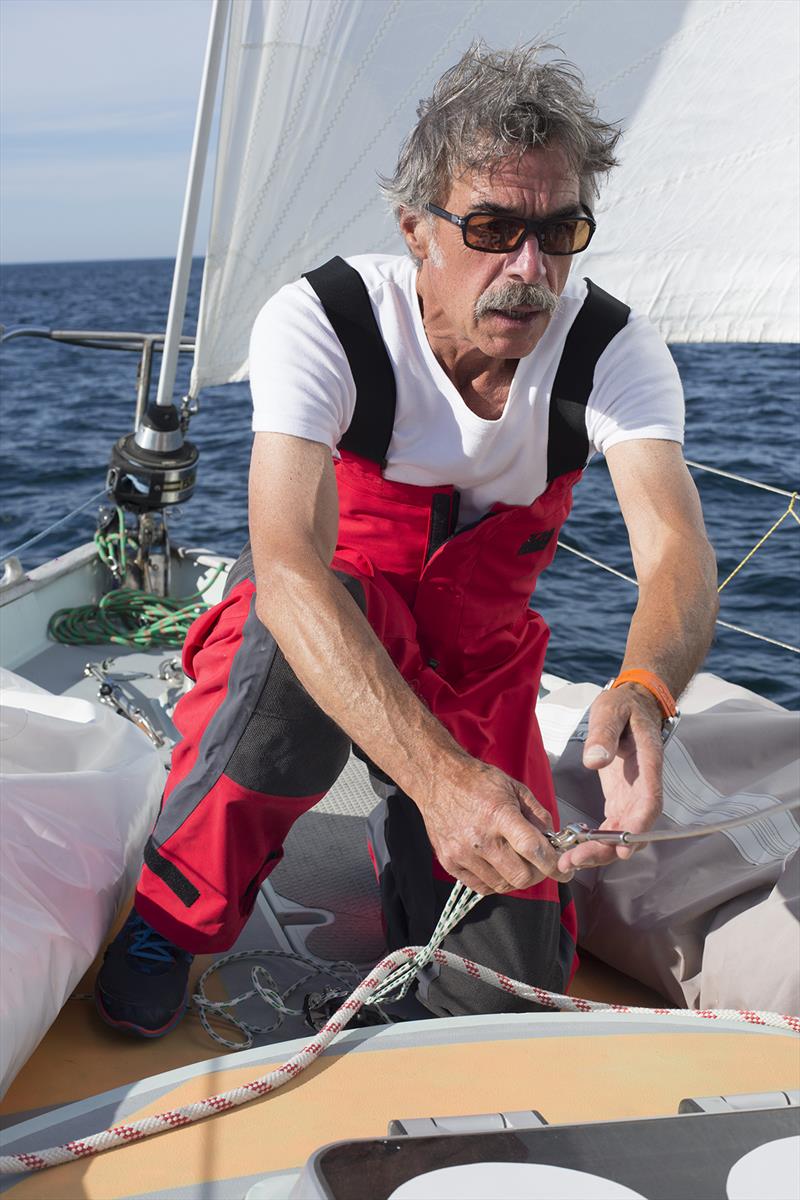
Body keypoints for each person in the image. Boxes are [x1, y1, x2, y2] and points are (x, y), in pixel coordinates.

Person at [95, 43, 718, 1036]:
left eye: (557, 231)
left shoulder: (608, 349)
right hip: (330, 622)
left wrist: (644, 686)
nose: (529, 268)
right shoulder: (328, 322)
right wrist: (440, 785)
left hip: (474, 665)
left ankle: (408, 851)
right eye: (491, 228)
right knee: (291, 649)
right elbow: (291, 569)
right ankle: (174, 914)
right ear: (414, 230)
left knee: (501, 997)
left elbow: (676, 555)